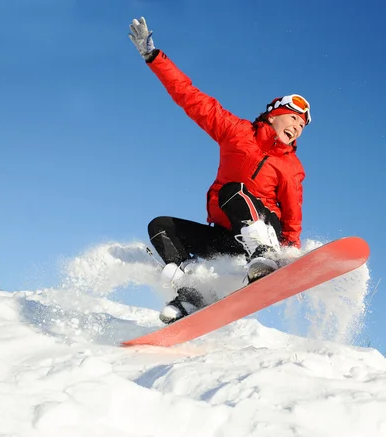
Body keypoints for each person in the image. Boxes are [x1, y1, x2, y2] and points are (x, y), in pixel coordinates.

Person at [128, 17, 311, 324]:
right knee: (160, 226)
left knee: (233, 191)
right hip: (229, 237)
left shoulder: (290, 166)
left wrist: (291, 254)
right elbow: (190, 97)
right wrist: (152, 55)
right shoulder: (236, 132)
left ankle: (263, 255)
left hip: (268, 232)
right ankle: (193, 293)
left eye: (303, 126)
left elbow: (293, 212)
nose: (297, 127)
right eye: (293, 119)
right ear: (273, 115)